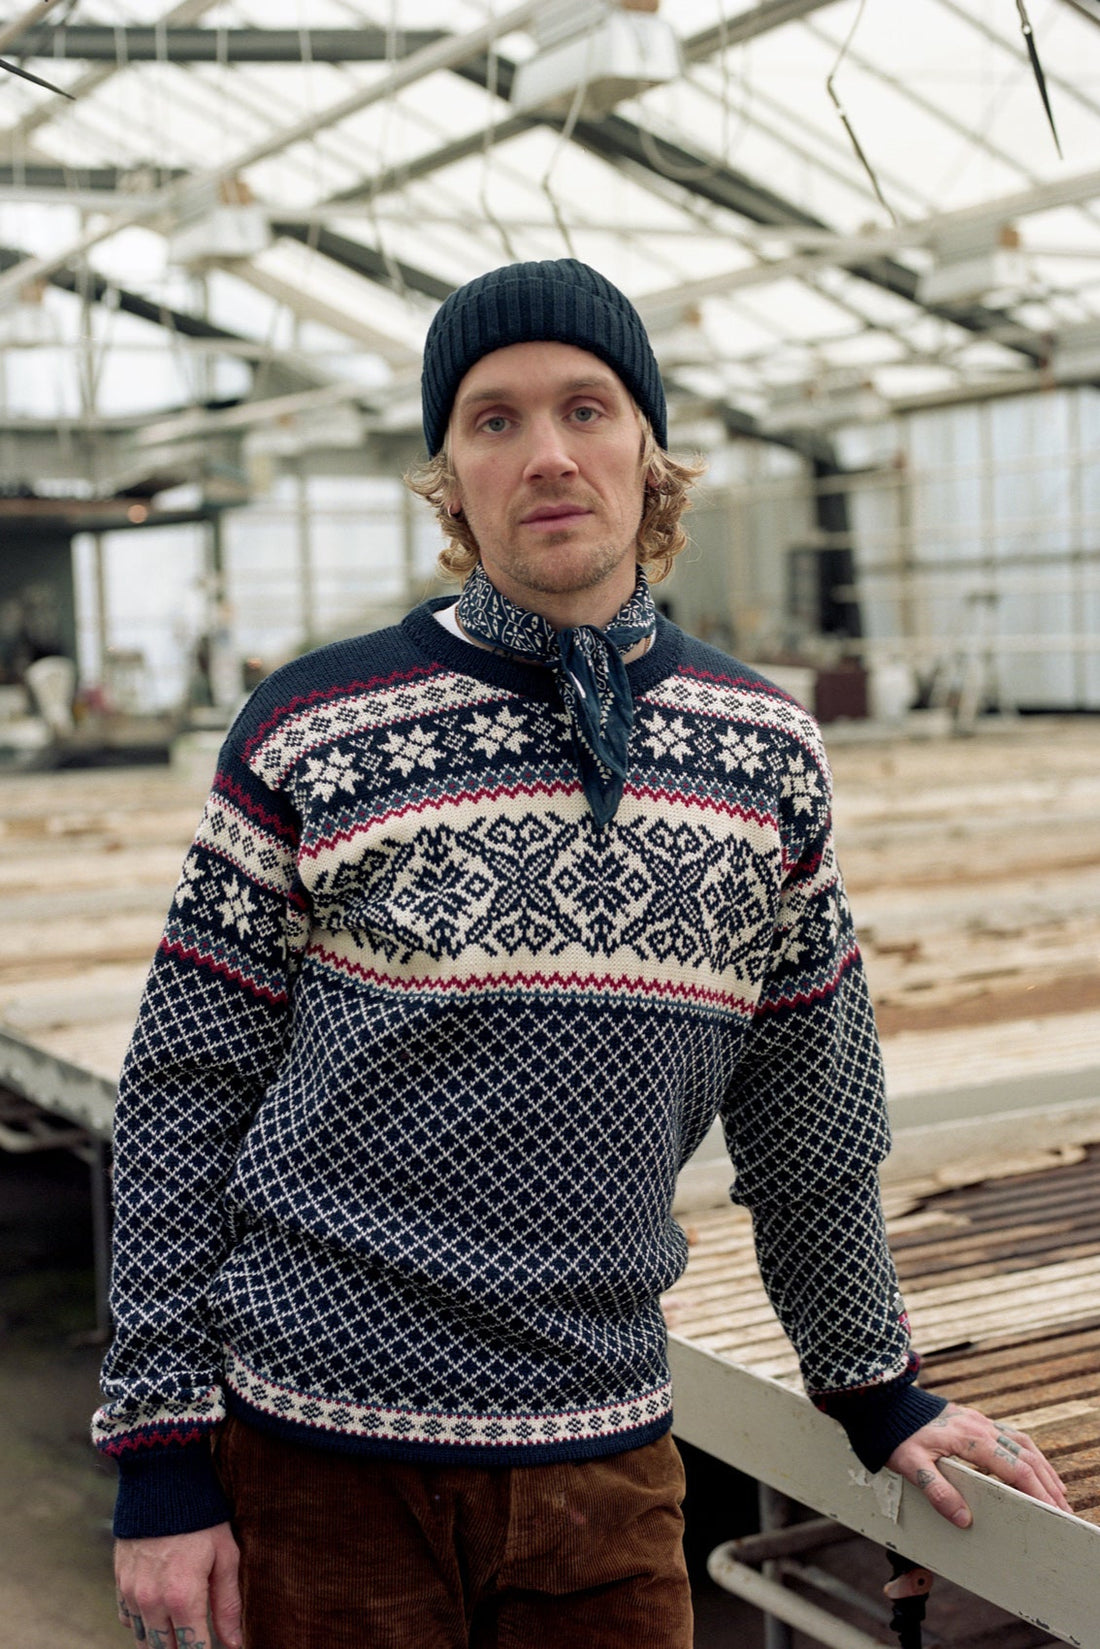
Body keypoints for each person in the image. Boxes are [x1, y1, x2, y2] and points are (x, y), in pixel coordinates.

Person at [98, 259, 1070, 1649]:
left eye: (586, 408)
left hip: (601, 1460)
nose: (546, 453)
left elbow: (810, 1112)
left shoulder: (763, 754)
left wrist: (879, 1390)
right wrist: (162, 1458)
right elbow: (183, 1096)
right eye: (493, 420)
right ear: (450, 475)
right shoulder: (312, 725)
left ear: (647, 450)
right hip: (315, 1459)